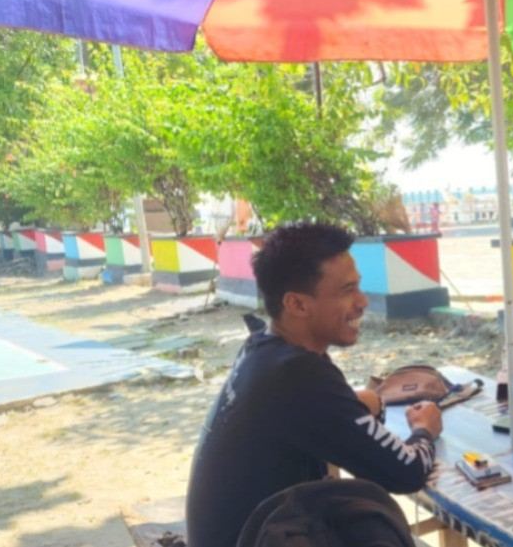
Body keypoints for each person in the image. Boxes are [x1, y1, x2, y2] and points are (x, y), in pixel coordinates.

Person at [186, 223, 442, 547]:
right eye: (347, 290)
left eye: (359, 286)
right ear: (297, 305)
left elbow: (309, 414)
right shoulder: (297, 374)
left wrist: (360, 405)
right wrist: (424, 429)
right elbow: (406, 472)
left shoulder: (265, 349)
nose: (362, 301)